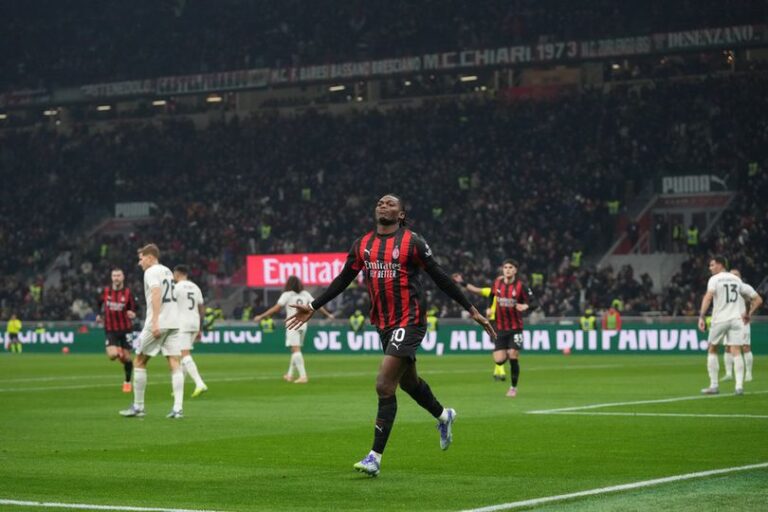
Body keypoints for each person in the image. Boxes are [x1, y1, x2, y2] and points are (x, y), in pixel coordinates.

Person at [286, 194, 495, 477]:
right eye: (380, 203)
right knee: (409, 382)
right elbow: (344, 278)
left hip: (410, 320)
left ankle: (374, 457)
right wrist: (313, 306)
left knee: (384, 385)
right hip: (383, 324)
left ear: (401, 214)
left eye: (391, 203)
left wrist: (472, 310)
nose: (384, 205)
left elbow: (440, 277)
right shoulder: (362, 244)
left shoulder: (412, 242)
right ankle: (444, 415)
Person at [120, 244, 184, 419]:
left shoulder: (150, 272)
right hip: (173, 322)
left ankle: (138, 407)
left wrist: (155, 321)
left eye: (141, 259)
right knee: (174, 362)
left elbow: (156, 293)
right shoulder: (167, 271)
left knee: (139, 361)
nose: (139, 262)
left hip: (158, 322)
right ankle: (178, 409)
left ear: (150, 257)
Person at [454, 259, 532, 397]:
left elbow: (531, 302)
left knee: (513, 353)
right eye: (505, 267)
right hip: (497, 326)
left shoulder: (520, 286)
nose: (507, 270)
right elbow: (478, 290)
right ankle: (506, 356)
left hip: (514, 327)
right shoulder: (496, 285)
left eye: (510, 267)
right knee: (499, 360)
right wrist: (462, 283)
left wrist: (525, 306)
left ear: (515, 270)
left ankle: (513, 387)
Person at [697, 256, 761, 396]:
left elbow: (708, 297)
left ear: (720, 265)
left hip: (720, 319)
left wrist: (701, 316)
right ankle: (739, 386)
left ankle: (714, 386)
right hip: (736, 320)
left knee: (712, 348)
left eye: (712, 265)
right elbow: (753, 299)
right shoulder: (736, 279)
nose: (710, 268)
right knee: (736, 350)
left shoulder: (714, 279)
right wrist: (748, 314)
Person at [253, 275, 333, 384]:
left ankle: (303, 376)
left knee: (296, 350)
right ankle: (289, 375)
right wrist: (328, 314)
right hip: (303, 324)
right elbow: (317, 305)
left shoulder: (287, 294)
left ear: (288, 284)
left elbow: (276, 308)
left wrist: (261, 316)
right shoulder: (305, 294)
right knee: (295, 349)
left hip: (292, 324)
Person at [451, 274, 505, 380]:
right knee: (499, 346)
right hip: (494, 321)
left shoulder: (510, 294)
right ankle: (500, 371)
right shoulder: (491, 292)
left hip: (506, 321)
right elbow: (475, 290)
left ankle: (497, 371)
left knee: (500, 346)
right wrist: (462, 282)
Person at [96, 268, 137, 392]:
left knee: (127, 359)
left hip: (126, 329)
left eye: (118, 275)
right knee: (112, 355)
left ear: (123, 277)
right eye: (114, 276)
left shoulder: (128, 292)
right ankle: (118, 351)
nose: (116, 278)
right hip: (110, 329)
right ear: (111, 277)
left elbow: (135, 308)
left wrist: (133, 313)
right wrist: (99, 315)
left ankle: (127, 381)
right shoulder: (106, 291)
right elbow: (98, 303)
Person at [721, 270, 763, 383]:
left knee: (745, 347)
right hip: (728, 321)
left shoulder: (745, 287)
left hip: (742, 321)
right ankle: (729, 374)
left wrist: (749, 313)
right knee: (728, 347)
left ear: (740, 277)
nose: (733, 277)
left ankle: (748, 373)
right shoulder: (725, 289)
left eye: (736, 275)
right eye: (731, 275)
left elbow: (759, 300)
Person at [173, 265, 208, 397]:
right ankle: (178, 388)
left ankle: (199, 383)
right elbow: (201, 309)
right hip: (195, 323)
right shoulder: (195, 287)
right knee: (183, 356)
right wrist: (200, 328)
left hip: (182, 324)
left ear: (177, 274)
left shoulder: (176, 288)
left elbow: (170, 306)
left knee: (184, 354)